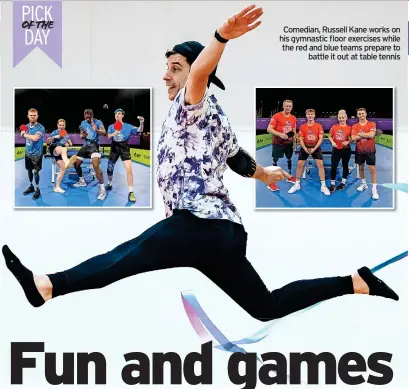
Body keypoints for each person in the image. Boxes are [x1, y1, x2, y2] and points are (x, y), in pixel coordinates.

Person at [3, 5, 398, 321]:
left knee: (126, 256)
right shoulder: (216, 117)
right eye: (167, 68)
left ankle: (48, 285)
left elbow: (199, 75)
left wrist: (221, 37)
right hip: (221, 234)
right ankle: (354, 282)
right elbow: (237, 159)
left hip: (199, 224)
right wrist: (263, 173)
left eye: (175, 68)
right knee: (266, 308)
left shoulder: (192, 103)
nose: (166, 76)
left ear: (195, 72)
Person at [105, 109, 144, 203]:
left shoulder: (128, 126)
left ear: (122, 115)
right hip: (114, 146)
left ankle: (131, 192)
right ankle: (109, 183)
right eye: (116, 114)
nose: (117, 115)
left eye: (119, 114)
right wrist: (114, 133)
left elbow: (139, 130)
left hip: (124, 147)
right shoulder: (111, 126)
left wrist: (141, 122)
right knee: (110, 168)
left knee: (129, 169)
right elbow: (108, 136)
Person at [288, 109, 330, 195]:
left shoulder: (319, 126)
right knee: (300, 164)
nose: (310, 116)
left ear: (314, 115)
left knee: (320, 165)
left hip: (316, 148)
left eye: (312, 114)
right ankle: (297, 184)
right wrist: (305, 148)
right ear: (306, 115)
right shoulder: (303, 126)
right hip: (305, 147)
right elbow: (300, 139)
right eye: (308, 114)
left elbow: (321, 138)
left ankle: (323, 186)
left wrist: (314, 149)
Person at [73, 109, 107, 201]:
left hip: (94, 145)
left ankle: (103, 190)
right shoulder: (83, 123)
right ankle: (82, 180)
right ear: (84, 116)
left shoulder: (98, 122)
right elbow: (81, 136)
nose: (87, 117)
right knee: (76, 163)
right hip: (85, 146)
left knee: (95, 165)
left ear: (92, 115)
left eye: (89, 115)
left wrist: (97, 129)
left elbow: (104, 133)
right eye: (86, 115)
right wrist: (83, 135)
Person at [265, 100, 298, 192]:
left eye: (290, 106)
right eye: (286, 106)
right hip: (278, 143)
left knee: (289, 158)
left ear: (292, 107)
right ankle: (271, 183)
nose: (288, 108)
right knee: (275, 161)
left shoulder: (293, 118)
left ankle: (289, 177)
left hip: (289, 143)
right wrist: (280, 134)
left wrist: (295, 141)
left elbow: (294, 130)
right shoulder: (276, 116)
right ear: (283, 106)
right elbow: (269, 129)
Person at [351, 108, 379, 200]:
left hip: (370, 150)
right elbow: (354, 138)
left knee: (372, 169)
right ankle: (364, 184)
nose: (361, 115)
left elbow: (371, 135)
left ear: (366, 114)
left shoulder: (372, 124)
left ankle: (374, 189)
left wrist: (360, 134)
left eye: (362, 113)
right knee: (360, 167)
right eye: (359, 114)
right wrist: (363, 135)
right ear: (357, 115)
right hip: (359, 150)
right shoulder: (355, 126)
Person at [46, 119, 77, 193]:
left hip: (60, 153)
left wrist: (68, 144)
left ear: (65, 126)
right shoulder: (55, 132)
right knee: (63, 149)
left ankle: (56, 187)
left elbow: (70, 143)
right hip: (54, 148)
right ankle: (67, 162)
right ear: (57, 125)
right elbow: (47, 141)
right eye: (60, 125)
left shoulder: (66, 134)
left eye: (63, 125)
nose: (61, 126)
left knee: (63, 169)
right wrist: (54, 137)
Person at [21, 108, 45, 200]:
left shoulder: (40, 127)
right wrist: (24, 132)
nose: (33, 117)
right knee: (29, 170)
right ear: (28, 116)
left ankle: (37, 189)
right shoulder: (26, 126)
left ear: (37, 116)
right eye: (31, 115)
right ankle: (31, 186)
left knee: (36, 172)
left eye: (34, 115)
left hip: (37, 155)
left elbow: (35, 138)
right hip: (28, 153)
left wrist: (23, 134)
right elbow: (28, 136)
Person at [328, 110, 353, 193]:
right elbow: (330, 136)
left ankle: (343, 183)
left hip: (346, 150)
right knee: (333, 166)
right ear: (338, 118)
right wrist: (333, 143)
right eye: (340, 118)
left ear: (346, 118)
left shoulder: (350, 128)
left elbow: (351, 138)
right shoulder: (334, 127)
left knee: (345, 165)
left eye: (343, 117)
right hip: (336, 149)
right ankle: (332, 184)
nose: (341, 119)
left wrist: (348, 142)